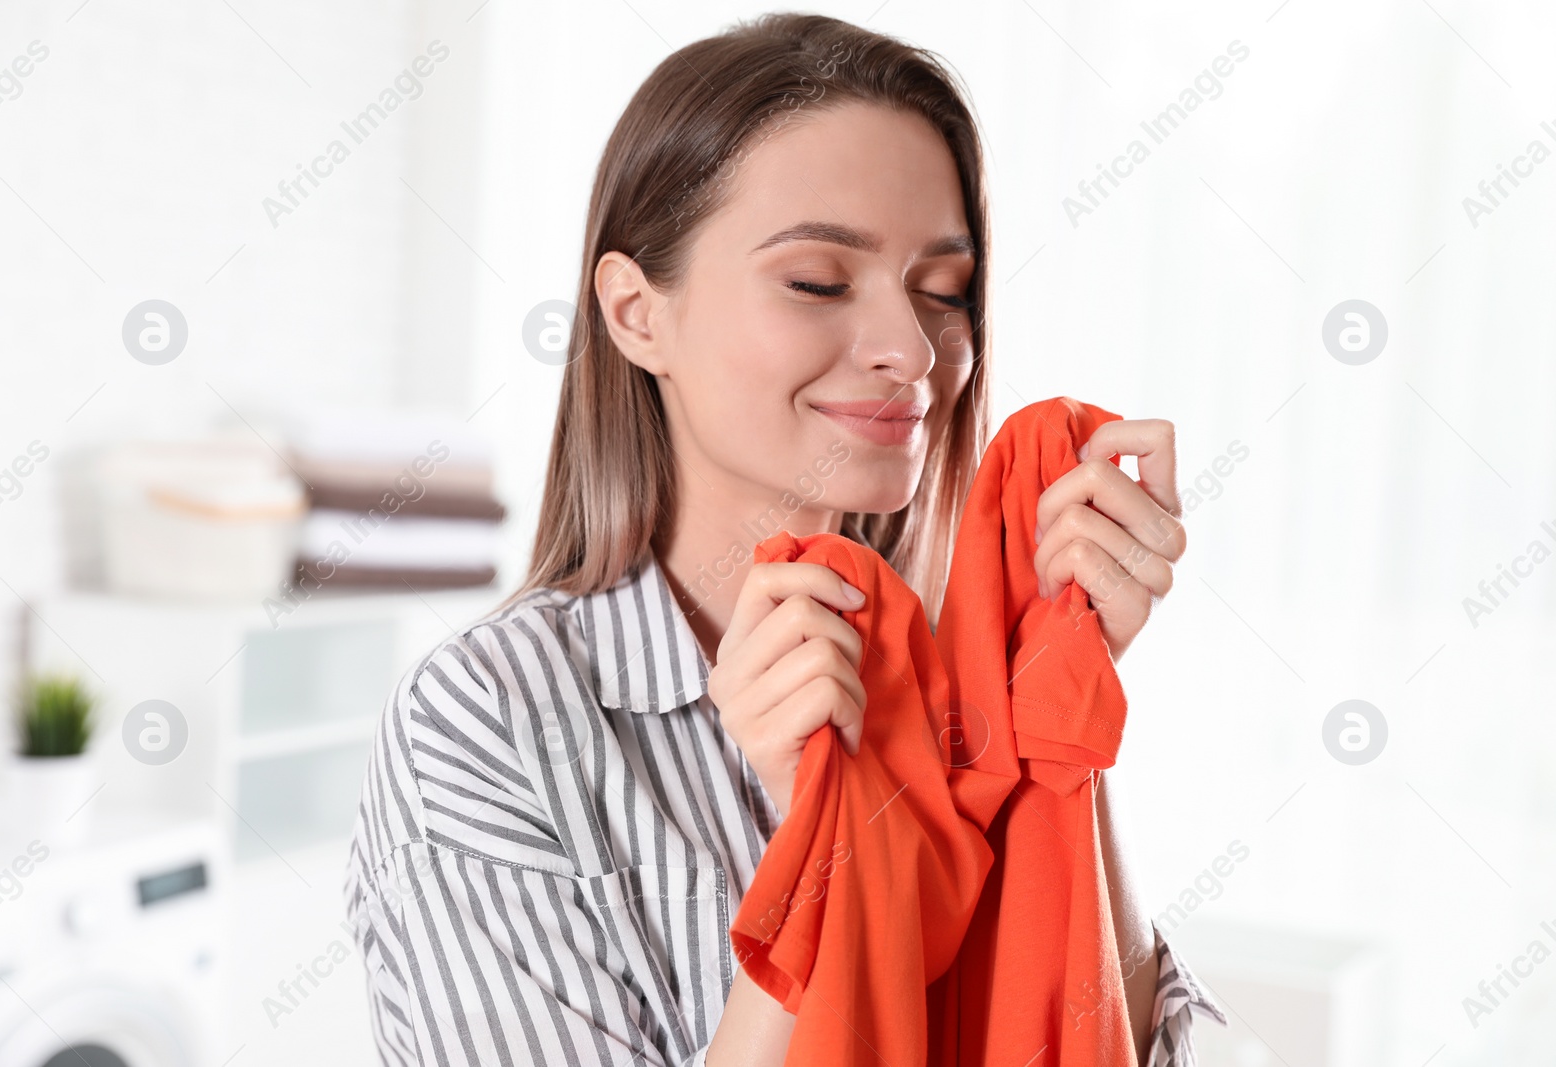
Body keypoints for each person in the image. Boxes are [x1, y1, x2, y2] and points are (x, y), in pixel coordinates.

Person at [345, 12, 1224, 1066]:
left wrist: (1056, 712)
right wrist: (827, 834)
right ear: (636, 314)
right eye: (817, 280)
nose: (912, 349)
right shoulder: (490, 718)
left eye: (944, 292)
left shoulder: (964, 669)